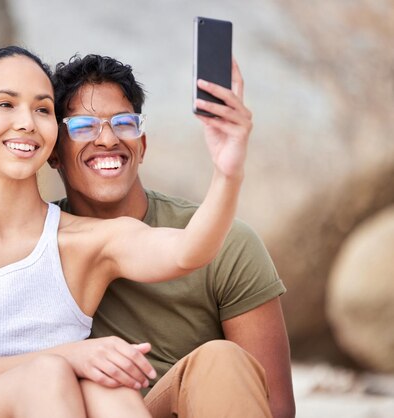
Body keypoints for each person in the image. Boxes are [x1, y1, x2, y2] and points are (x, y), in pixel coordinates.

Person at [0, 45, 248, 417]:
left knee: (110, 390)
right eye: (6, 104)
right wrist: (71, 356)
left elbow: (188, 250)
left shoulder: (84, 241)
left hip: (54, 405)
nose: (26, 121)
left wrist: (227, 171)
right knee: (50, 375)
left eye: (42, 109)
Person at [49, 54, 295, 418]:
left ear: (142, 146)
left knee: (220, 358)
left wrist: (229, 173)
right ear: (54, 152)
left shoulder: (225, 241)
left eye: (124, 123)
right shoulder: (37, 243)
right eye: (84, 126)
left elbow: (275, 405)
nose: (108, 139)